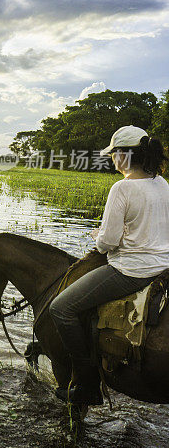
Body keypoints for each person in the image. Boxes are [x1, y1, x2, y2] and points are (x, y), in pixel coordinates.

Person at [49, 126, 169, 405]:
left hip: (131, 271)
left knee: (61, 309)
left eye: (114, 153)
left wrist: (99, 236)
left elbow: (107, 243)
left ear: (125, 155)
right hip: (163, 267)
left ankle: (88, 385)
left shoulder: (122, 188)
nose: (112, 159)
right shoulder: (162, 183)